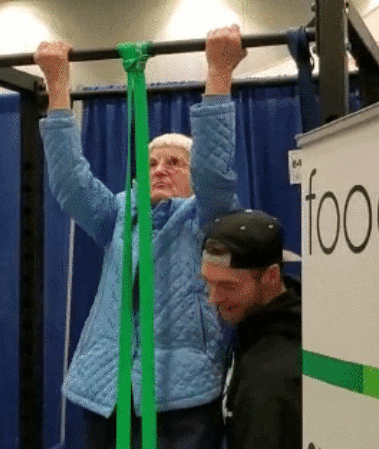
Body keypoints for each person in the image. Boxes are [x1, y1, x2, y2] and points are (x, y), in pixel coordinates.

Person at [33, 25, 246, 448]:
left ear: (192, 175)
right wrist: (57, 87)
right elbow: (70, 184)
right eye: (151, 163)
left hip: (179, 399)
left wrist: (219, 74)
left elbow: (215, 173)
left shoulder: (206, 219)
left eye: (174, 162)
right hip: (108, 392)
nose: (160, 169)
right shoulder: (117, 215)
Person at [200, 209, 302, 449]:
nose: (213, 298)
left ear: (271, 276)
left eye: (227, 285)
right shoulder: (252, 327)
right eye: (208, 283)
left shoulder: (272, 380)